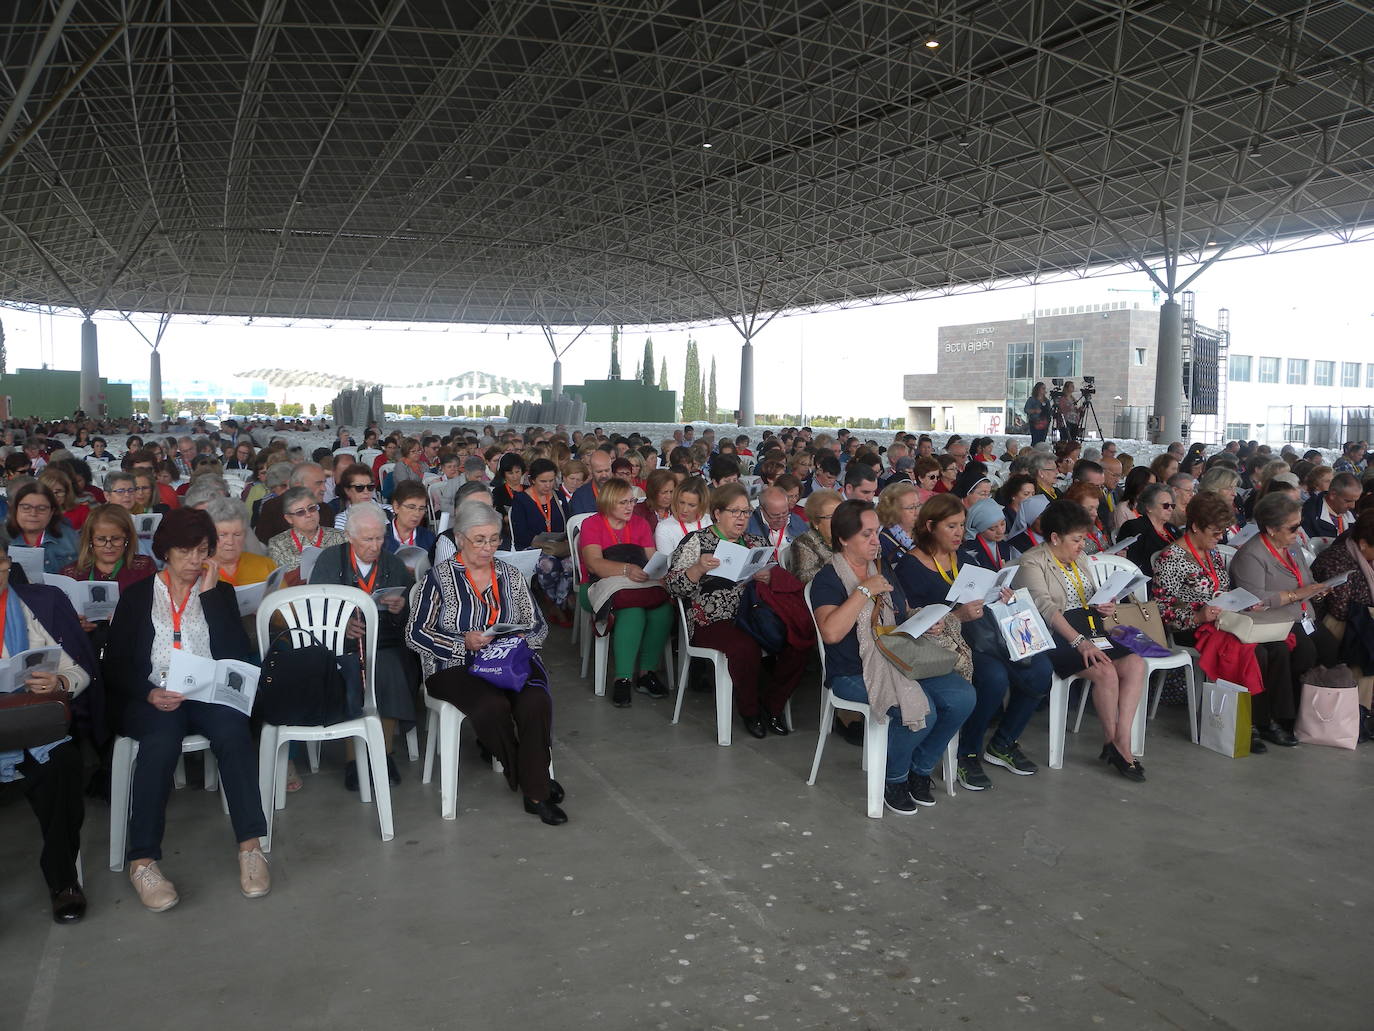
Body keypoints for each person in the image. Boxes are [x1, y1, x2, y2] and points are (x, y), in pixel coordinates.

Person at [103, 507, 269, 910]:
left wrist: (211, 597)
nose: (195, 561)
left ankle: (251, 847)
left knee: (233, 732)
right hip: (156, 694)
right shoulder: (138, 595)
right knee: (160, 742)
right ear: (165, 551)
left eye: (202, 551)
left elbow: (235, 655)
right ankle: (143, 860)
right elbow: (116, 665)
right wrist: (147, 693)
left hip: (206, 691)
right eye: (185, 551)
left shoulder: (218, 592)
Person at [810, 500, 976, 812]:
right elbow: (831, 633)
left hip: (898, 658)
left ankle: (919, 769)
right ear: (844, 539)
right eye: (867, 535)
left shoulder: (881, 566)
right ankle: (894, 778)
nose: (876, 541)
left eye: (877, 533)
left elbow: (899, 613)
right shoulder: (828, 579)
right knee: (922, 710)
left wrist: (924, 619)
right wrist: (864, 591)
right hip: (852, 671)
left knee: (962, 696)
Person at [405, 502, 565, 825]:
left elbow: (538, 625)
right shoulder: (439, 578)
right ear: (460, 538)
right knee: (491, 706)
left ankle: (531, 782)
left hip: (507, 660)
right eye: (479, 540)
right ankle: (534, 787)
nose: (488, 547)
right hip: (453, 665)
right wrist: (461, 641)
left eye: (494, 539)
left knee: (535, 701)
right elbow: (414, 633)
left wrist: (518, 640)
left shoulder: (510, 575)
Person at [890, 493, 1049, 789]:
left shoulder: (961, 557)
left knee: (1041, 669)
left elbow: (983, 592)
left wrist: (1001, 593)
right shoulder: (909, 567)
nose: (959, 533)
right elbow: (911, 621)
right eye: (951, 526)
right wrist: (958, 616)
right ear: (929, 526)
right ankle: (968, 752)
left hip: (984, 635)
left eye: (962, 526)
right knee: (993, 677)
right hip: (946, 646)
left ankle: (1003, 742)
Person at [1151, 493, 1301, 751]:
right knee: (1255, 650)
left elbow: (1221, 589)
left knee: (1276, 646)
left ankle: (1271, 718)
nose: (1220, 538)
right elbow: (1163, 611)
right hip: (1193, 627)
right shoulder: (1170, 558)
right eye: (1215, 533)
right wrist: (1199, 615)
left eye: (1221, 533)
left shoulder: (1211, 552)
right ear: (1195, 526)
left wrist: (1244, 602)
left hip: (1224, 620)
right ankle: (1251, 721)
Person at [1014, 500, 1148, 781]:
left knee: (1136, 663)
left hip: (1091, 630)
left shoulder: (1079, 559)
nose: (1082, 546)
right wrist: (1078, 642)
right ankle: (1114, 743)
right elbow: (1047, 610)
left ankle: (1121, 739)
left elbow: (1091, 595)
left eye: (1083, 539)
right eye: (1076, 540)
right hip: (1057, 637)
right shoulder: (1031, 562)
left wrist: (1106, 605)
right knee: (1105, 671)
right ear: (1054, 537)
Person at [664, 483, 809, 739]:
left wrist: (768, 577)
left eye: (746, 512)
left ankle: (772, 705)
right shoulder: (698, 541)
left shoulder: (756, 542)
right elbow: (674, 587)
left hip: (754, 612)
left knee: (798, 641)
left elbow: (779, 576)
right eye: (735, 512)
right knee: (745, 648)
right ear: (718, 513)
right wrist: (697, 569)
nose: (742, 518)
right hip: (711, 619)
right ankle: (750, 711)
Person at [0, 540, 97, 923]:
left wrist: (58, 680)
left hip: (31, 724)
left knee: (63, 765)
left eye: (1, 563)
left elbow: (80, 671)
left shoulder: (30, 608)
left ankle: (62, 880)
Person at [308, 503, 420, 789]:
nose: (375, 545)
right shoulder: (330, 560)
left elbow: (410, 611)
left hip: (384, 640)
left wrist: (399, 607)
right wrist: (340, 624)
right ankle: (354, 759)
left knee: (392, 668)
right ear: (350, 536)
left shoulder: (392, 563)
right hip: (340, 643)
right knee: (348, 671)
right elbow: (316, 607)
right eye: (368, 539)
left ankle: (384, 753)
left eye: (380, 538)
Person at [1229, 492, 1340, 736]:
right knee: (1304, 650)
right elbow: (1253, 600)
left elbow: (1307, 580)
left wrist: (1317, 591)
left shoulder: (1292, 547)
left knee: (1331, 647)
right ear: (1271, 529)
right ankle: (1287, 717)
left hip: (1302, 616)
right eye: (1293, 527)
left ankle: (1312, 711)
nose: (1298, 532)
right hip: (1275, 619)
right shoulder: (1252, 555)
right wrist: (1297, 594)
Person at [576, 478, 673, 707]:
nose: (630, 506)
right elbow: (593, 564)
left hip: (637, 584)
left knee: (663, 609)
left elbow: (651, 560)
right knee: (633, 612)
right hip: (595, 585)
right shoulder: (592, 524)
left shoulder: (640, 524)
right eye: (623, 502)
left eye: (631, 501)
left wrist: (656, 572)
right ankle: (623, 677)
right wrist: (626, 569)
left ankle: (646, 673)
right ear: (609, 503)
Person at [510, 458, 574, 623]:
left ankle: (559, 602)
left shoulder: (558, 495)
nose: (548, 485)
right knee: (549, 564)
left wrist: (565, 541)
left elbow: (568, 522)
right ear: (532, 480)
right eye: (543, 481)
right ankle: (556, 603)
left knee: (570, 564)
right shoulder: (521, 500)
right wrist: (542, 544)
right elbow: (521, 535)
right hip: (532, 546)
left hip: (557, 545)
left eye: (551, 480)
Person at [268, 485, 347, 577]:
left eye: (312, 508)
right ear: (289, 518)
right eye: (300, 512)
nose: (308, 515)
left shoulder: (340, 537)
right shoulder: (277, 544)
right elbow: (280, 582)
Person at [6, 481, 80, 573]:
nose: (33, 513)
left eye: (41, 509)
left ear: (52, 512)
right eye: (26, 508)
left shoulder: (70, 538)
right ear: (16, 509)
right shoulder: (3, 539)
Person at [205, 497, 276, 587]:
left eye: (237, 534)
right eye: (222, 535)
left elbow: (284, 599)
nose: (230, 542)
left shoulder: (266, 565)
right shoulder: (198, 570)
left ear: (245, 535)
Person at [1116, 483, 1178, 577]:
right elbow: (1132, 562)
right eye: (1165, 505)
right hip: (1148, 579)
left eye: (1172, 506)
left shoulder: (1172, 529)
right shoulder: (1134, 527)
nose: (1170, 509)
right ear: (1149, 507)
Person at [786, 490, 842, 585]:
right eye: (831, 516)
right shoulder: (804, 543)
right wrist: (835, 564)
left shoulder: (849, 536)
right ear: (816, 522)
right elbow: (803, 578)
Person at [653, 476, 711, 557]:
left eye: (691, 505)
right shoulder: (664, 528)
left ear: (701, 505)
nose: (684, 510)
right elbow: (667, 565)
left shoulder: (709, 521)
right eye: (682, 502)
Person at [748, 485, 807, 558]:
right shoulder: (749, 527)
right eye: (775, 515)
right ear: (762, 510)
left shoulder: (797, 521)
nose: (781, 519)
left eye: (785, 513)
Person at [1301, 471, 1363, 539]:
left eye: (1355, 501)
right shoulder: (1310, 514)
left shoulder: (1352, 515)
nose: (1352, 506)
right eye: (1348, 501)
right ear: (1333, 494)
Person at [958, 497, 1013, 571]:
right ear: (980, 528)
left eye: (1003, 524)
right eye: (992, 528)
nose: (1000, 531)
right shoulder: (969, 550)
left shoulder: (1004, 545)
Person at [876, 480, 921, 567]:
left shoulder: (924, 532)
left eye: (918, 505)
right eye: (911, 508)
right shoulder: (882, 542)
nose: (917, 512)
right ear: (893, 511)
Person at [385, 481, 437, 555]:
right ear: (396, 507)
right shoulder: (380, 537)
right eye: (411, 507)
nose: (417, 514)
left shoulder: (429, 538)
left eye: (421, 508)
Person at [1063, 481, 1109, 556]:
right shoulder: (1066, 534)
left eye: (1096, 508)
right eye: (1089, 509)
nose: (1095, 514)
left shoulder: (1094, 528)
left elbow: (1106, 548)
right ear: (1073, 508)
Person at [39, 466, 90, 532]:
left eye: (59, 491)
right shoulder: (35, 514)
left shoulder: (83, 511)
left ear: (67, 492)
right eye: (49, 492)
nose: (54, 496)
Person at [568, 451, 613, 516]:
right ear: (591, 470)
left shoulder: (622, 491)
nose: (604, 475)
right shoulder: (580, 496)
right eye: (599, 472)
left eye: (607, 470)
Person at [635, 469, 677, 533]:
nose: (668, 496)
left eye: (671, 492)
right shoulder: (638, 512)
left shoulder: (677, 511)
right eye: (664, 492)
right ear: (653, 492)